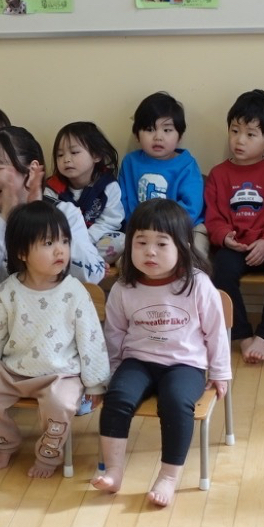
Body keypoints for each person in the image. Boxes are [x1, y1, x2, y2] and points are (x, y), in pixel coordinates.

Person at [93, 200, 231, 508]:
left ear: (183, 246)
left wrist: (221, 372)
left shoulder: (197, 284)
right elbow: (114, 334)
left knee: (176, 403)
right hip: (138, 361)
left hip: (185, 365)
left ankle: (168, 477)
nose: (150, 252)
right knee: (117, 398)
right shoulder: (124, 288)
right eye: (141, 242)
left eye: (161, 243)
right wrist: (110, 373)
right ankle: (113, 470)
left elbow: (216, 331)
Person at [0, 202, 109, 476]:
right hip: (13, 373)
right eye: (48, 243)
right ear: (22, 252)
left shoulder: (74, 291)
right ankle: (7, 442)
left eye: (64, 241)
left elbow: (91, 339)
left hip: (61, 376)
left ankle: (47, 456)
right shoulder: (8, 291)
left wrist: (95, 383)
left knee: (60, 406)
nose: (60, 250)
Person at [205, 89, 264, 365]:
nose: (239, 140)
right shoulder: (219, 174)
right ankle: (241, 333)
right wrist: (224, 237)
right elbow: (213, 215)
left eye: (250, 134)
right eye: (235, 131)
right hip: (235, 245)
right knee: (220, 270)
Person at [0, 126, 106, 286]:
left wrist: (39, 220)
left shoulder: (64, 213)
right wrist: (5, 219)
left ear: (31, 170)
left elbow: (92, 274)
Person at [117, 92, 206, 247]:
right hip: (141, 230)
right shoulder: (130, 163)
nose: (158, 137)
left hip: (182, 228)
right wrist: (142, 229)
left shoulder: (187, 165)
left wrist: (166, 228)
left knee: (197, 247)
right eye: (149, 129)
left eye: (167, 130)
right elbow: (122, 202)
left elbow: (192, 206)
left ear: (180, 136)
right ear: (137, 135)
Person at [46, 120, 124, 263]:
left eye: (74, 152)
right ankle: (78, 262)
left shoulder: (107, 185)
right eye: (60, 155)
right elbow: (47, 223)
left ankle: (83, 263)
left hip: (94, 240)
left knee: (120, 241)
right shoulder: (52, 188)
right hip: (63, 243)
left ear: (96, 155)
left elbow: (110, 221)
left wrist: (85, 240)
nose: (66, 159)